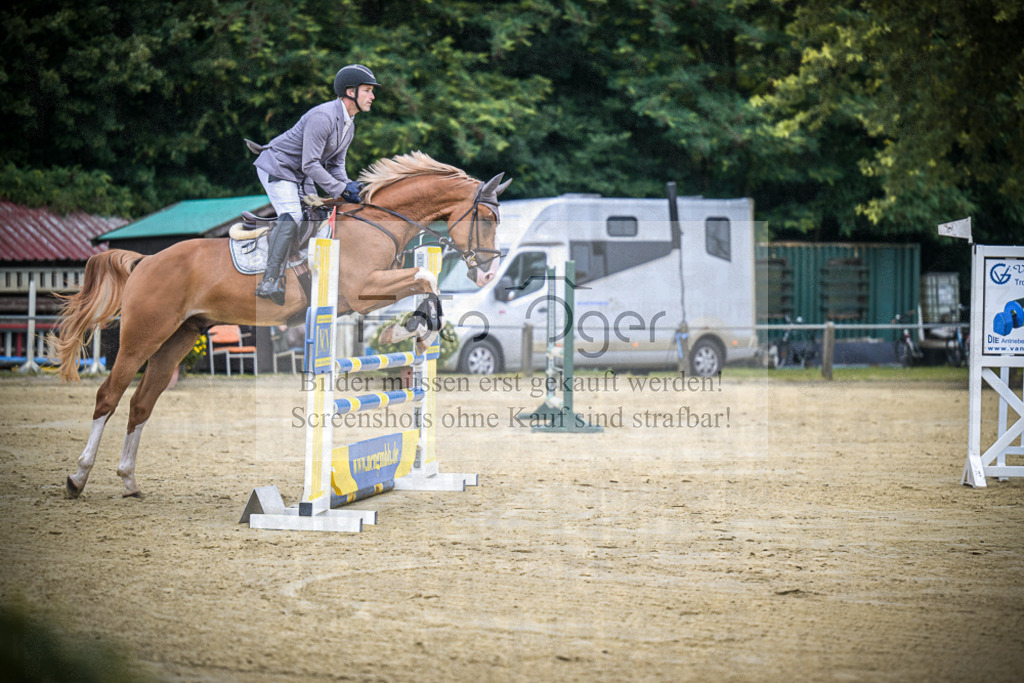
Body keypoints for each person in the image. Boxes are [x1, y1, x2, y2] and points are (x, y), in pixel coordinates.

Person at [248, 64, 379, 305]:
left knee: (318, 215)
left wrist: (349, 186)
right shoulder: (323, 117)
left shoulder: (349, 125)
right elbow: (310, 164)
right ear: (350, 92)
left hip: (301, 175)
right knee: (294, 215)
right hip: (277, 166)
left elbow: (336, 165)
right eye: (368, 90)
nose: (372, 96)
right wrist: (339, 189)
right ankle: (270, 280)